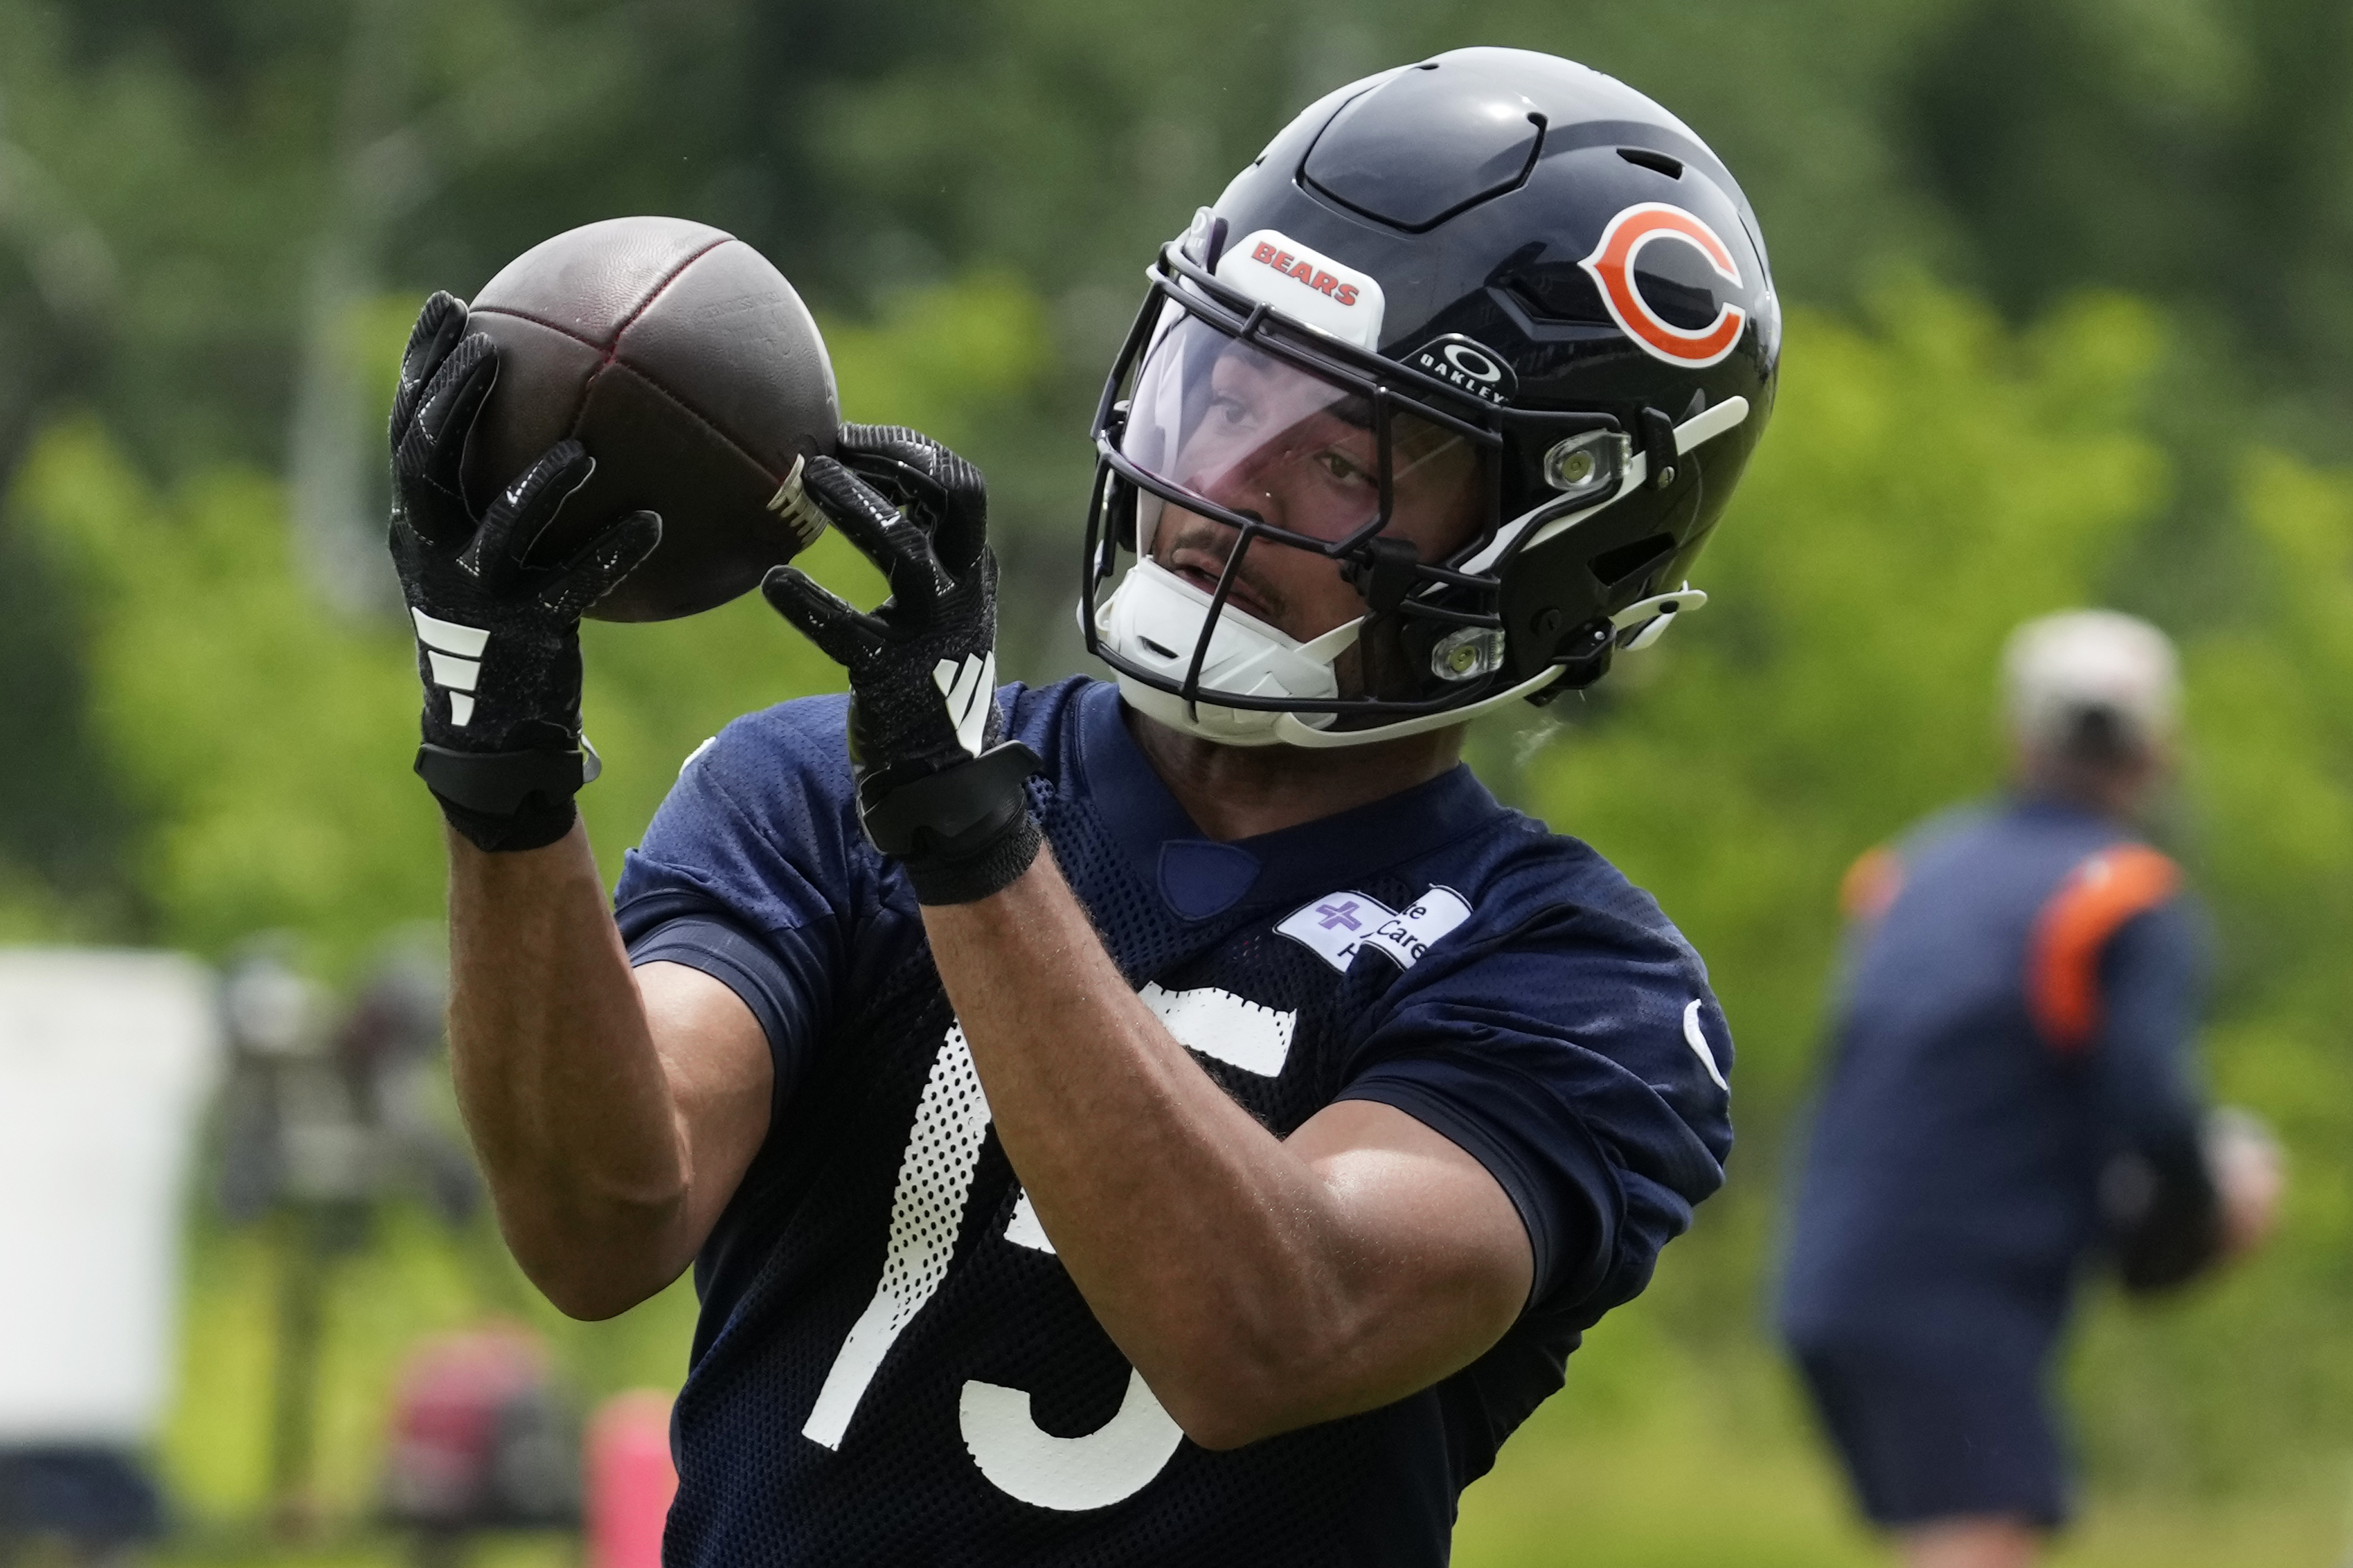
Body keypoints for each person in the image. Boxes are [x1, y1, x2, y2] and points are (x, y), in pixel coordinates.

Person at [387, 47, 1778, 1565]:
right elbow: (601, 1224)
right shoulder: (811, 787)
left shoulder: (1579, 982)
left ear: (1553, 540)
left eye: (1340, 459)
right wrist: (503, 776)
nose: (1218, 490)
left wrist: (968, 838)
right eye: (1219, 390)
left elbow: (1265, 1326)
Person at [1777, 610, 2284, 1568]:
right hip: (1956, 1293)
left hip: (1830, 1270)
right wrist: (2206, 1214)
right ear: (2157, 750)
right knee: (1978, 1543)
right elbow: (2152, 1109)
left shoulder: (1908, 871)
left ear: (2019, 736)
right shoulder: (2122, 894)